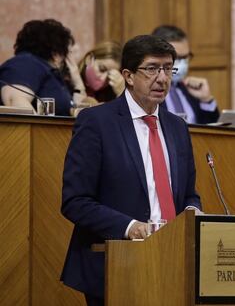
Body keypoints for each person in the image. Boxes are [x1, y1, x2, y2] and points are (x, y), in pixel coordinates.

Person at [60, 35, 202, 305]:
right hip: (117, 263)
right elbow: (75, 201)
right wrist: (131, 227)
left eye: (168, 68)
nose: (162, 78)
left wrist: (193, 214)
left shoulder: (177, 127)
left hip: (174, 262)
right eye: (151, 69)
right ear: (128, 75)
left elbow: (188, 195)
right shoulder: (97, 123)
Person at [0, 19, 86, 116]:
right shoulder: (26, 63)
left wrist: (78, 83)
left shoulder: (51, 73)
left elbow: (80, 114)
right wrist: (41, 131)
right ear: (56, 53)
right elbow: (15, 103)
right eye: (68, 53)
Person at [152, 25, 219, 124]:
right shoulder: (149, 91)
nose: (183, 64)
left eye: (185, 57)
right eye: (177, 58)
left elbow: (213, 131)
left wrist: (206, 99)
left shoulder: (190, 89)